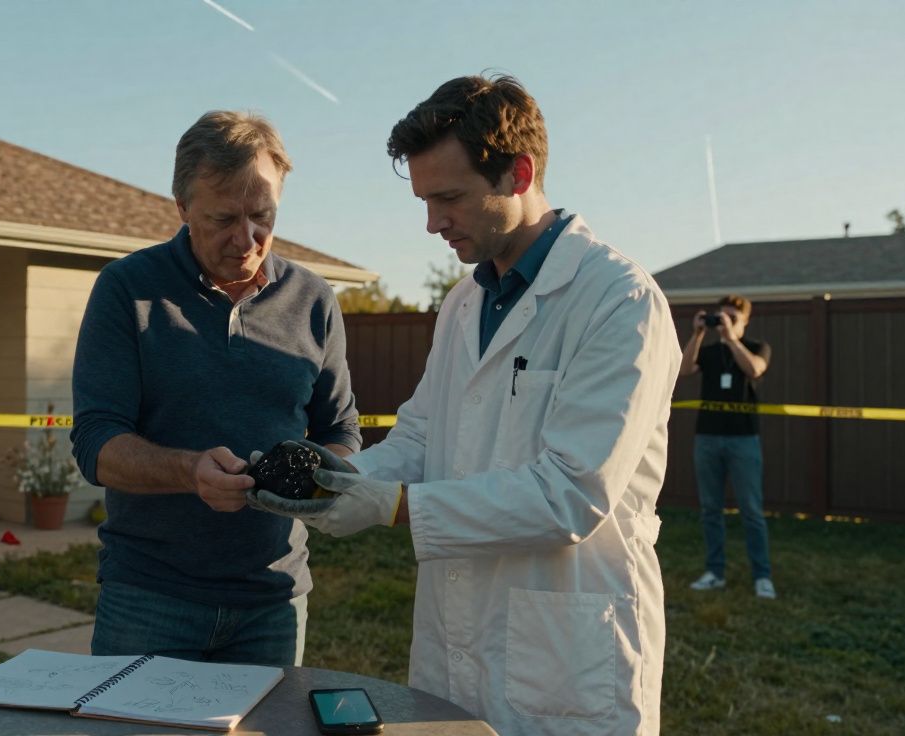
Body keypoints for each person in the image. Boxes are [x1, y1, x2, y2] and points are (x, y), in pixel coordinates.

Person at [249, 75, 681, 735]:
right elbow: (422, 437)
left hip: (566, 661)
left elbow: (573, 492)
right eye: (424, 200)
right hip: (457, 643)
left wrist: (395, 508)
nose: (431, 223)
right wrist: (335, 481)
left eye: (448, 197)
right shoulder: (465, 304)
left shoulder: (618, 302)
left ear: (519, 173)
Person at [70, 110, 361, 666]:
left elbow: (341, 429)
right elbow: (95, 442)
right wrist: (188, 471)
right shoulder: (127, 290)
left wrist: (317, 478)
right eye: (224, 217)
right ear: (181, 207)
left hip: (275, 599)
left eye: (262, 215)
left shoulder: (314, 299)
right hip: (148, 598)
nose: (246, 238)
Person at [679, 295, 775, 599]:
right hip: (707, 438)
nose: (726, 322)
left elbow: (756, 369)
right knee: (710, 509)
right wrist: (697, 334)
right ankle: (714, 572)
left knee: (751, 511)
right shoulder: (709, 352)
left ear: (745, 321)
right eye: (723, 316)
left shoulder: (757, 347)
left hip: (744, 440)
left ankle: (762, 576)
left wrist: (732, 339)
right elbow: (683, 369)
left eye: (733, 317)